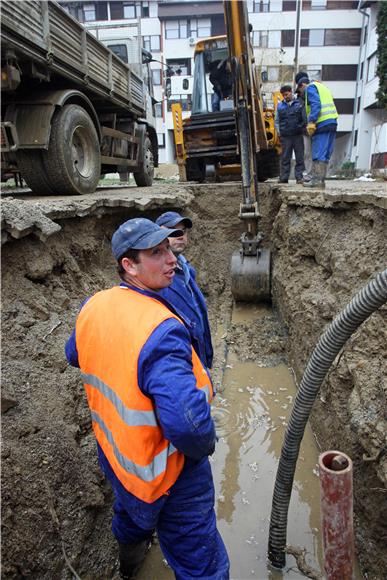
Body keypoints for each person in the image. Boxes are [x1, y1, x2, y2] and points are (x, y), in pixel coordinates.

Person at [65, 218, 229, 580]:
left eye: (169, 248)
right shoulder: (162, 330)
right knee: (201, 564)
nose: (171, 258)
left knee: (131, 516)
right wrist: (205, 447)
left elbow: (74, 353)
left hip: (118, 457)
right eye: (157, 252)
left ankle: (129, 565)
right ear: (129, 265)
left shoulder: (94, 305)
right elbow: (188, 427)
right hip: (171, 474)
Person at [156, 211, 213, 369]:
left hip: (197, 358)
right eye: (173, 231)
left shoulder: (187, 270)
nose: (181, 235)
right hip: (181, 364)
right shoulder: (157, 282)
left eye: (183, 231)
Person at [295, 71, 338, 189]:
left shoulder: (310, 88)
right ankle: (320, 181)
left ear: (302, 85)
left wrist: (311, 121)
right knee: (325, 154)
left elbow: (316, 105)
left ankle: (317, 181)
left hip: (322, 124)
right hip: (332, 123)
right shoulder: (323, 87)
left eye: (300, 91)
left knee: (318, 153)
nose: (301, 94)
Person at [275, 84, 306, 184]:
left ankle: (299, 177)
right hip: (286, 137)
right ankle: (284, 178)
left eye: (287, 94)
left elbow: (303, 118)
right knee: (285, 158)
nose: (285, 97)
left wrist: (302, 128)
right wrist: (279, 133)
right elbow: (277, 121)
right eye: (283, 95)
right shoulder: (280, 106)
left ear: (291, 92)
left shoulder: (299, 104)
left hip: (297, 135)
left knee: (299, 157)